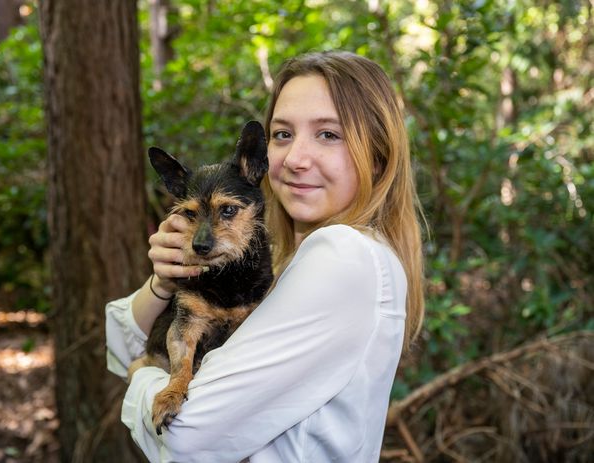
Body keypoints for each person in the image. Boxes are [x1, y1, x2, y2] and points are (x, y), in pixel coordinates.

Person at [105, 50, 425, 462]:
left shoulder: (344, 255)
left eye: (328, 134)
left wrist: (141, 376)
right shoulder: (292, 260)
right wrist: (164, 282)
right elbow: (118, 338)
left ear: (378, 156)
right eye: (283, 134)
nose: (294, 159)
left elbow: (187, 434)